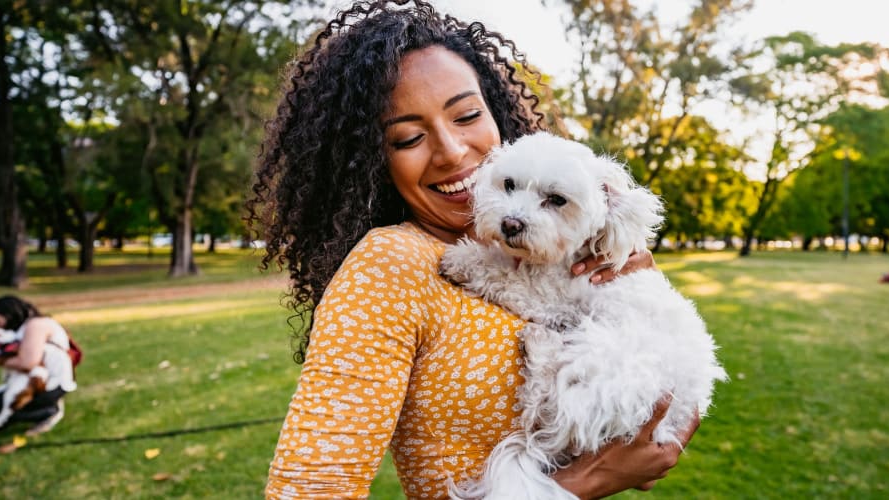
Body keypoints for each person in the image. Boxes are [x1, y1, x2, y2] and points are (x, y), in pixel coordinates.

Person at [247, 1, 699, 498]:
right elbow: (311, 490)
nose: (452, 151)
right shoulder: (390, 265)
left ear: (497, 112)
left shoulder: (556, 250)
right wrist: (585, 482)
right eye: (409, 137)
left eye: (466, 115)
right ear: (371, 159)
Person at [0, 295, 76, 435]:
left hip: (48, 385)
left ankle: (47, 411)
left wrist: (1, 359)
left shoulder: (36, 325)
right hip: (34, 382)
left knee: (7, 407)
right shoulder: (24, 328)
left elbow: (28, 362)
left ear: (7, 313)